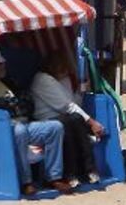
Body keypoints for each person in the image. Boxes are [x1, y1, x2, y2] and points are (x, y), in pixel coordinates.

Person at [0, 46, 71, 195]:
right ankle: (26, 181)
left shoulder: (8, 82)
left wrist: (13, 104)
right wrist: (13, 105)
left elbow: (27, 101)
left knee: (55, 127)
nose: (3, 67)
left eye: (2, 63)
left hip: (23, 122)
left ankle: (53, 177)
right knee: (20, 131)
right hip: (5, 127)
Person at [30, 53, 104, 184]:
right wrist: (91, 122)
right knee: (69, 121)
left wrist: (80, 91)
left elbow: (72, 102)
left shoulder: (62, 80)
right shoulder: (42, 79)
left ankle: (89, 169)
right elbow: (65, 106)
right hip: (46, 119)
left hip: (64, 116)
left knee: (75, 119)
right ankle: (70, 173)